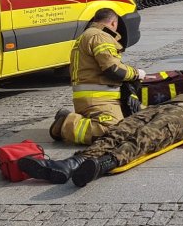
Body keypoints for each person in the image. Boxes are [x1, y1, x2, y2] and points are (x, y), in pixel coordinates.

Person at [18, 85, 183, 187]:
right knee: (119, 131)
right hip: (158, 108)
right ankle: (70, 164)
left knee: (147, 136)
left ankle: (103, 163)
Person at [49, 8, 146, 145]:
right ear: (113, 23)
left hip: (93, 97)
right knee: (113, 131)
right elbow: (113, 70)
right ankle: (66, 123)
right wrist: (137, 73)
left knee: (132, 123)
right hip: (99, 99)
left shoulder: (87, 35)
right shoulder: (100, 36)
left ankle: (77, 121)